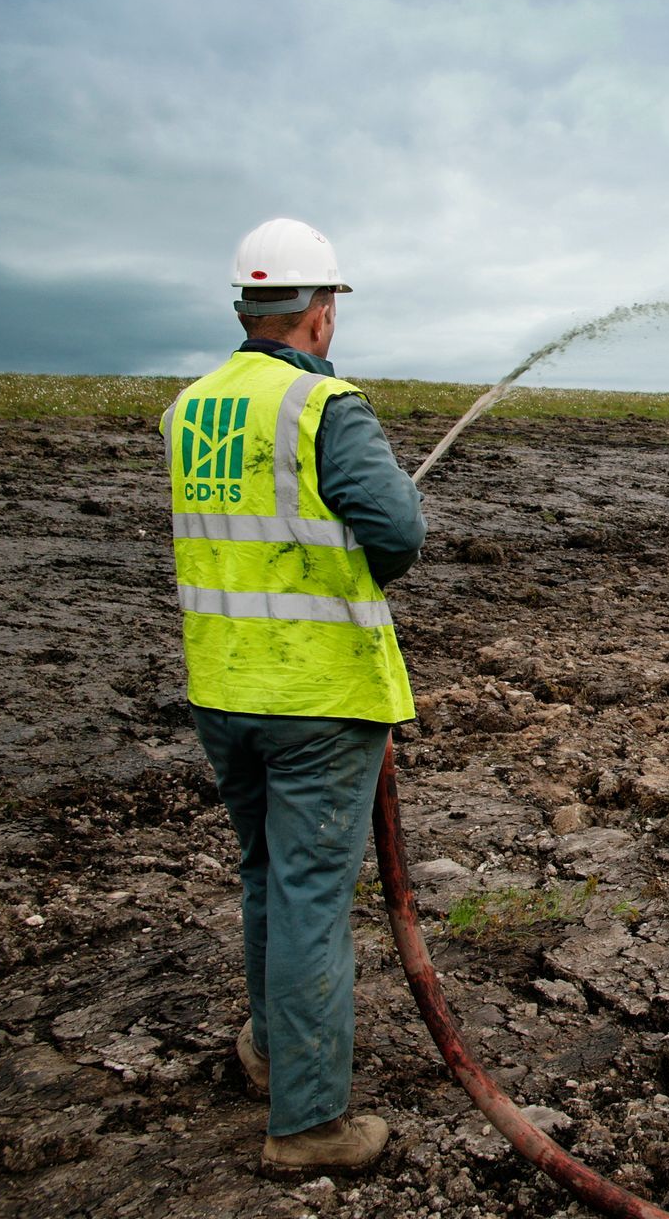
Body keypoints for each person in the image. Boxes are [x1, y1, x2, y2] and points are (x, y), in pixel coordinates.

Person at [160, 218, 425, 1174]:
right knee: (311, 890)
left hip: (221, 689)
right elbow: (395, 528)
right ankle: (310, 1123)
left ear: (246, 307)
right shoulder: (325, 406)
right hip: (314, 699)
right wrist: (374, 555)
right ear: (318, 312)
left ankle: (272, 1051)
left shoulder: (189, 408)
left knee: (266, 873)